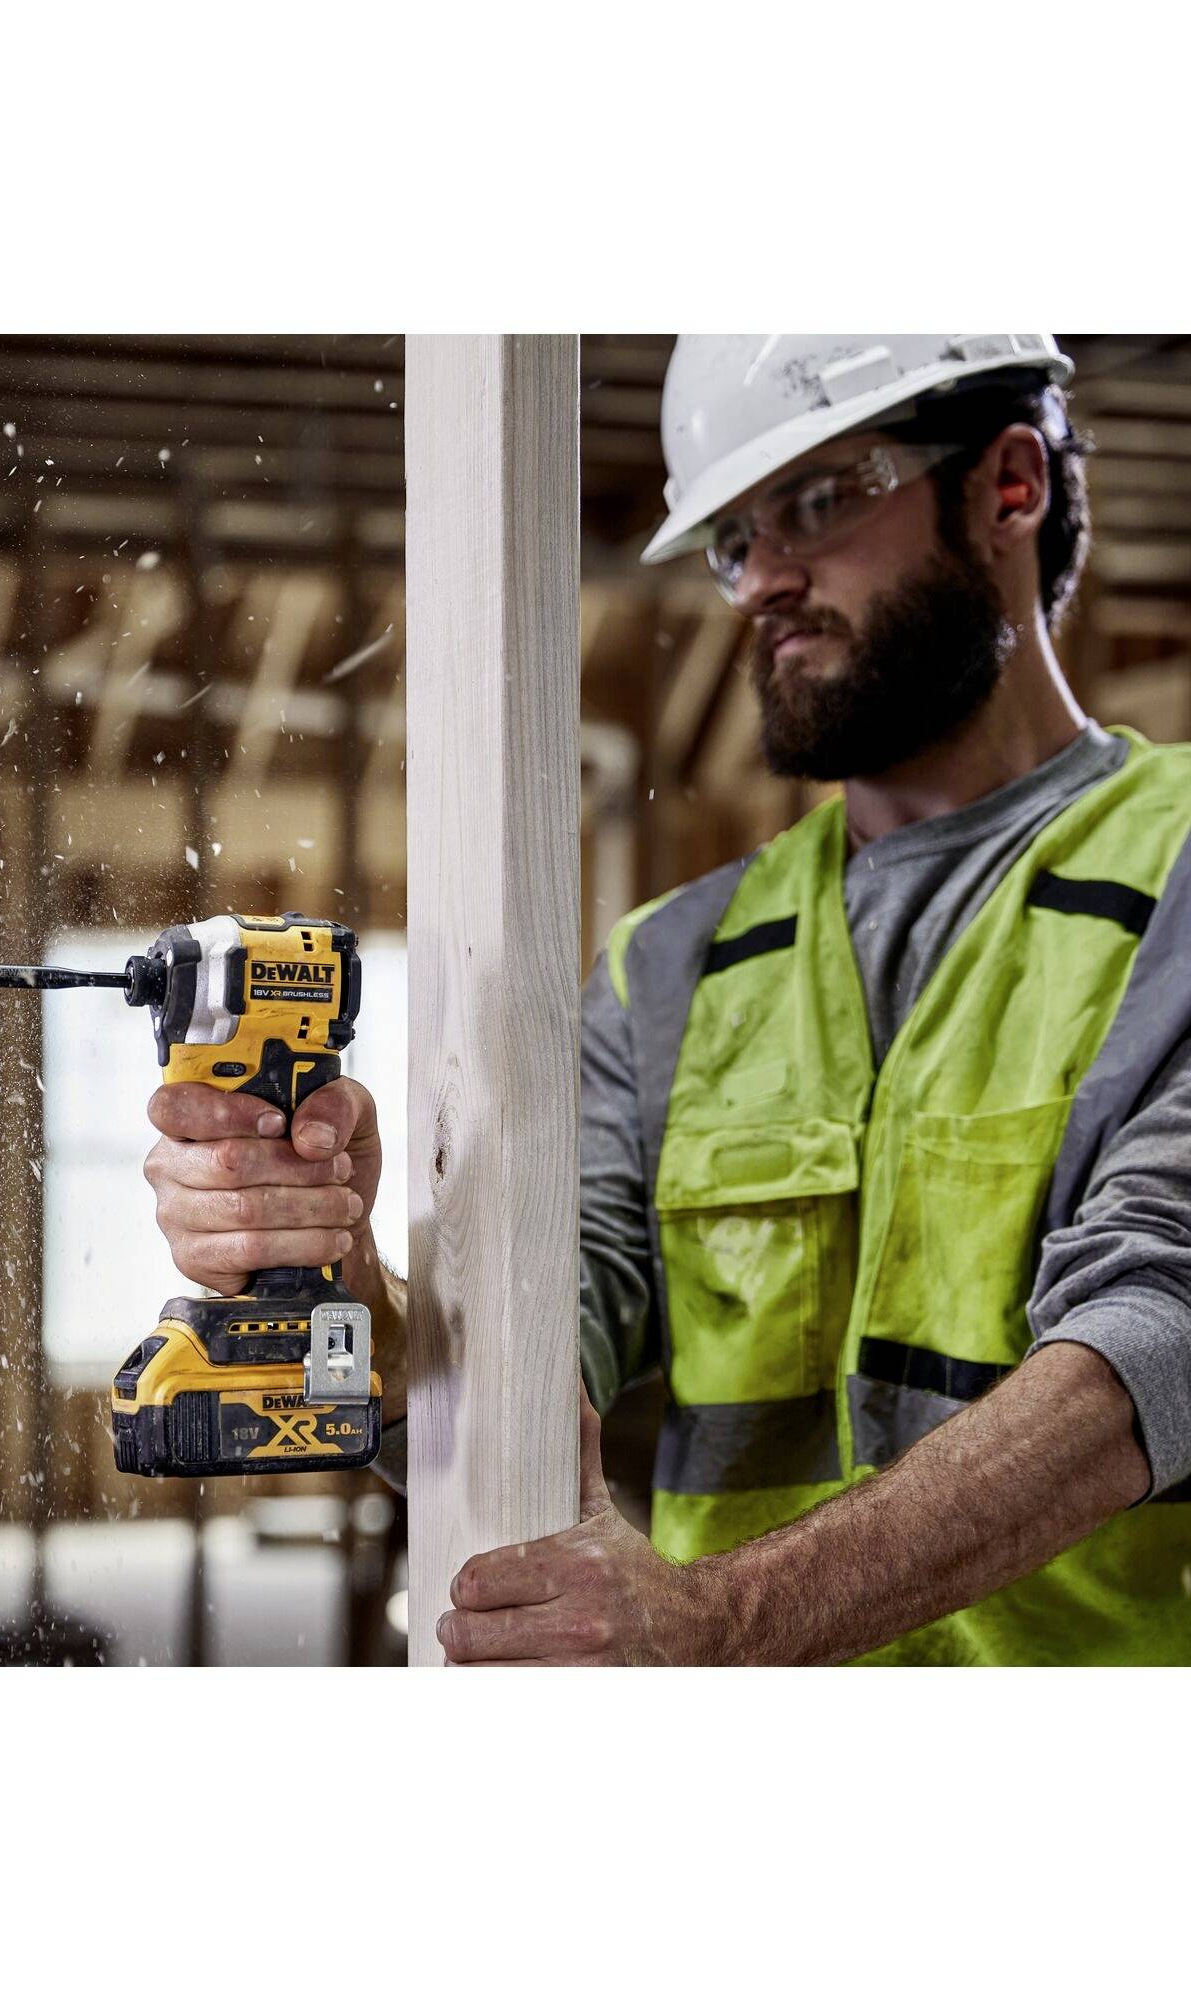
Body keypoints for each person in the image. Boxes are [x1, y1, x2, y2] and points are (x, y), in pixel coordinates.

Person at [142, 334, 1191, 1664]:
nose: (764, 582)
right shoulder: (674, 962)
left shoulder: (1181, 867)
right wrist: (344, 1274)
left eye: (815, 505)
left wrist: (721, 1622)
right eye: (733, 539)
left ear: (1011, 485)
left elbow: (1158, 1340)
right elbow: (532, 1342)